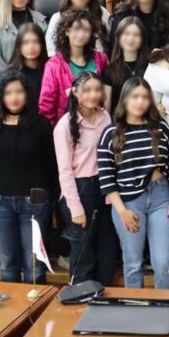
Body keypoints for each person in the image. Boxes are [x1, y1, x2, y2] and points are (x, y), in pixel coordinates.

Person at [97, 76, 169, 289]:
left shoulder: (161, 128)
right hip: (128, 202)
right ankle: (135, 307)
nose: (140, 102)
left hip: (161, 197)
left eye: (144, 97)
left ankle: (166, 306)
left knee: (164, 263)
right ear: (125, 99)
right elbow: (106, 177)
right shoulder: (110, 133)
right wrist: (122, 211)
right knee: (133, 263)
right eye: (135, 96)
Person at [0, 72, 56, 283]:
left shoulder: (41, 124)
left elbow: (50, 164)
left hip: (34, 201)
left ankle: (36, 304)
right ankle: (12, 304)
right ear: (0, 96)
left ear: (27, 94)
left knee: (35, 262)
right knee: (8, 263)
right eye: (8, 93)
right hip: (1, 201)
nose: (14, 97)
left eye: (19, 91)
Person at [53, 72, 118, 286]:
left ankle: (102, 295)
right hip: (81, 189)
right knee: (83, 250)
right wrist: (75, 208)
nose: (93, 94)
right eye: (87, 90)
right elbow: (64, 170)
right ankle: (81, 296)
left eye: (97, 90)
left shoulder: (105, 116)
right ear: (75, 92)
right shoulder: (65, 125)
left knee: (107, 247)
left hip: (104, 185)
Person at [40, 9, 108, 124]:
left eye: (86, 30)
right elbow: (47, 106)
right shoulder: (53, 65)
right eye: (76, 29)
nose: (81, 34)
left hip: (98, 123)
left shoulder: (101, 59)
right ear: (67, 31)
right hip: (68, 127)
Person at [45, 0, 112, 55]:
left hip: (99, 61)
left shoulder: (101, 12)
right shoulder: (58, 18)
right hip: (66, 62)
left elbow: (114, 40)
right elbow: (51, 51)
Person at [102, 15, 148, 111]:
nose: (131, 39)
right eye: (126, 34)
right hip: (119, 119)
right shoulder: (109, 71)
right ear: (118, 37)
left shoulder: (150, 67)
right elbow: (107, 109)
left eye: (136, 35)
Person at [0, 23, 48, 111]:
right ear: (18, 45)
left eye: (36, 42)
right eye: (26, 42)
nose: (31, 47)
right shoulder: (10, 74)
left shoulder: (50, 69)